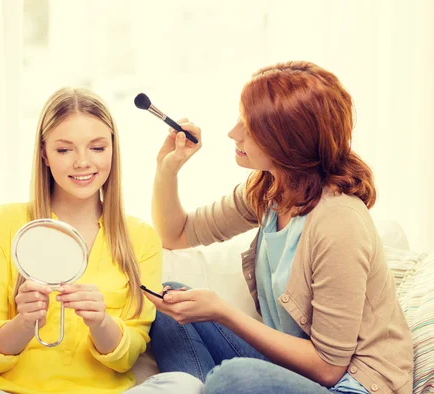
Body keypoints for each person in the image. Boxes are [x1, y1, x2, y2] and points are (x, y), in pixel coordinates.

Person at [145, 61, 414, 394]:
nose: (233, 133)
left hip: (352, 385)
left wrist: (223, 312)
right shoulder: (269, 190)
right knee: (172, 302)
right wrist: (167, 169)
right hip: (294, 373)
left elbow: (329, 368)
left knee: (233, 380)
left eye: (250, 126)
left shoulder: (339, 221)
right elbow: (176, 234)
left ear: (289, 140)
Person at [0, 88, 203, 394]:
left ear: (113, 150)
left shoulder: (141, 238)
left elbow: (128, 356)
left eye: (97, 148)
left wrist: (101, 323)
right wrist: (23, 323)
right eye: (65, 150)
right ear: (44, 154)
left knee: (183, 385)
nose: (82, 162)